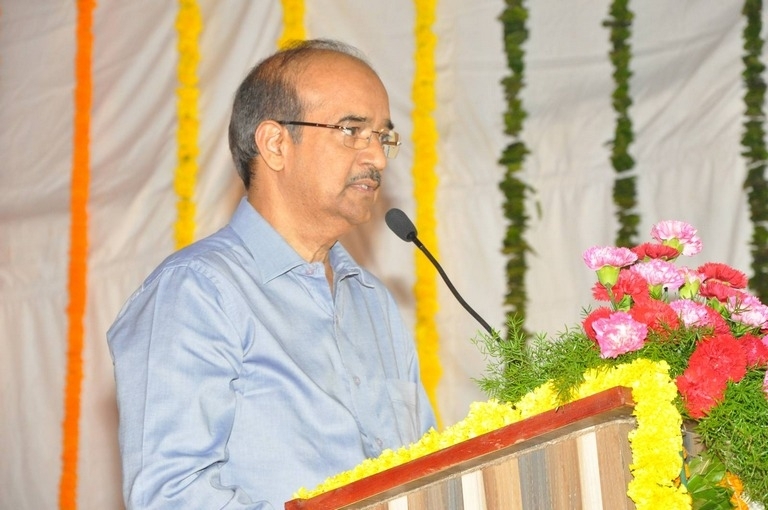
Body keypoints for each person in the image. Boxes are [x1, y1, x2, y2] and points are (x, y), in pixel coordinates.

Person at [107, 39, 437, 509]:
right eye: (351, 130)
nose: (378, 158)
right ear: (275, 144)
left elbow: (425, 468)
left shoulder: (373, 301)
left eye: (383, 136)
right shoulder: (197, 292)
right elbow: (171, 495)